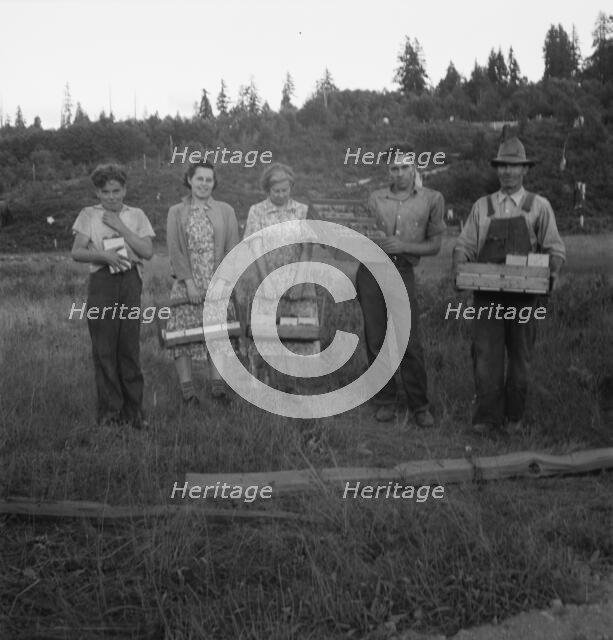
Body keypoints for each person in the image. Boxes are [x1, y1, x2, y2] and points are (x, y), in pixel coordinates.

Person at [453, 136, 566, 436]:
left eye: (514, 166)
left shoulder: (538, 206)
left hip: (525, 298)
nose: (507, 172)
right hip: (487, 296)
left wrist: (552, 272)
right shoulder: (482, 207)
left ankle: (514, 419)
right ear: (497, 169)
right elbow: (464, 245)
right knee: (486, 356)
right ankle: (487, 420)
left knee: (520, 358)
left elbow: (555, 249)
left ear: (525, 170)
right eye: (503, 165)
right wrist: (459, 263)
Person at [357, 142, 445, 428]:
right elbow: (360, 233)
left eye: (405, 167)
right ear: (388, 171)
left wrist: (404, 245)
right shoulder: (374, 198)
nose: (400, 173)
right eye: (394, 168)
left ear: (415, 167)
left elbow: (435, 245)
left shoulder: (431, 199)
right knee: (376, 338)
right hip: (371, 270)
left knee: (409, 339)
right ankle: (385, 400)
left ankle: (419, 404)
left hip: (402, 269)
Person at [71, 163, 155, 429]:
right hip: (102, 282)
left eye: (116, 191)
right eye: (105, 191)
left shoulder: (137, 214)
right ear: (97, 192)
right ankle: (111, 416)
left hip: (130, 282)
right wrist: (104, 255)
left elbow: (147, 251)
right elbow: (77, 252)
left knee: (129, 349)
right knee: (105, 350)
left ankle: (135, 414)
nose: (111, 196)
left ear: (124, 189)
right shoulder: (88, 214)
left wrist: (121, 227)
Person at [166, 160, 239, 403]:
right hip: (187, 283)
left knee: (217, 335)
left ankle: (218, 388)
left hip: (216, 283)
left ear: (214, 183)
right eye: (200, 179)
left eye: (209, 180)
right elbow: (175, 250)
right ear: (189, 180)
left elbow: (232, 249)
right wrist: (189, 283)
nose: (204, 184)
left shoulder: (226, 211)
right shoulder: (176, 212)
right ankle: (188, 392)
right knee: (182, 335)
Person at [243, 163, 319, 386]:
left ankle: (292, 383)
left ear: (291, 187)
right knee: (266, 331)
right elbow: (255, 249)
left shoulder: (302, 211)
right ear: (267, 189)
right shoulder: (256, 211)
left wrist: (299, 283)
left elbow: (307, 249)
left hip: (298, 280)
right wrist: (266, 283)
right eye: (276, 191)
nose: (281, 195)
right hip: (266, 278)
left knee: (296, 329)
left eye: (285, 190)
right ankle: (263, 381)